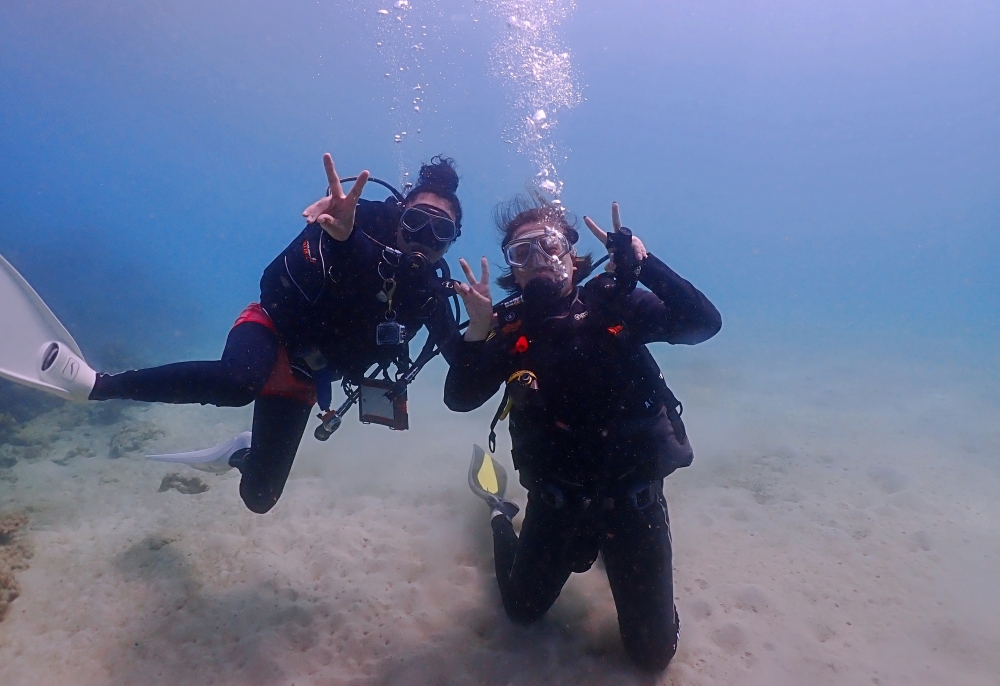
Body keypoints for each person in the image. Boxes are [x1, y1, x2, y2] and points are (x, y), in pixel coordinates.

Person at [57, 153, 464, 514]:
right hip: (271, 330)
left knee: (260, 499)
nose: (423, 239)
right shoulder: (349, 221)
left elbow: (463, 369)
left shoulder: (430, 294)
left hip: (309, 377)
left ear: (450, 243)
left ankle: (240, 453)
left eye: (440, 232)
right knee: (239, 383)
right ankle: (101, 385)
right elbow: (274, 284)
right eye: (415, 221)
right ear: (399, 215)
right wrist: (343, 240)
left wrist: (485, 328)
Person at [445, 196, 721, 671]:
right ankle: (497, 513)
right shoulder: (509, 327)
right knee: (521, 612)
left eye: (547, 245)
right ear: (513, 268)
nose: (536, 262)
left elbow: (703, 324)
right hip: (555, 506)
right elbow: (461, 398)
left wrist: (645, 263)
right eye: (520, 253)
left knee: (653, 656)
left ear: (572, 254)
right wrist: (477, 330)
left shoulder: (617, 302)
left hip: (635, 505)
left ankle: (620, 563)